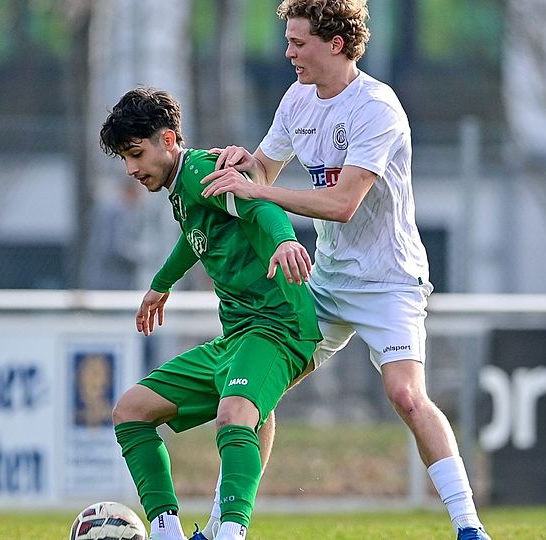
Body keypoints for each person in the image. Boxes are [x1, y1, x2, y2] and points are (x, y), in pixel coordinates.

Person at [196, 1, 490, 539]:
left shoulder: (376, 107)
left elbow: (342, 204)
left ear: (335, 43)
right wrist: (244, 163)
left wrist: (259, 191)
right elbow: (265, 169)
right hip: (326, 281)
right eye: (287, 41)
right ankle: (222, 526)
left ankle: (469, 526)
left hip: (389, 280)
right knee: (257, 390)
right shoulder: (297, 98)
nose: (288, 53)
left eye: (298, 42)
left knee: (406, 396)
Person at [100, 87, 321, 540]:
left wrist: (285, 240)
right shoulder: (182, 188)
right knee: (131, 411)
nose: (131, 169)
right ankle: (167, 533)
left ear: (167, 139)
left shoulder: (202, 171)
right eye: (124, 159)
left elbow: (260, 205)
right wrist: (161, 283)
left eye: (136, 154)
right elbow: (195, 235)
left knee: (235, 413)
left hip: (277, 326)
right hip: (237, 335)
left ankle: (230, 534)